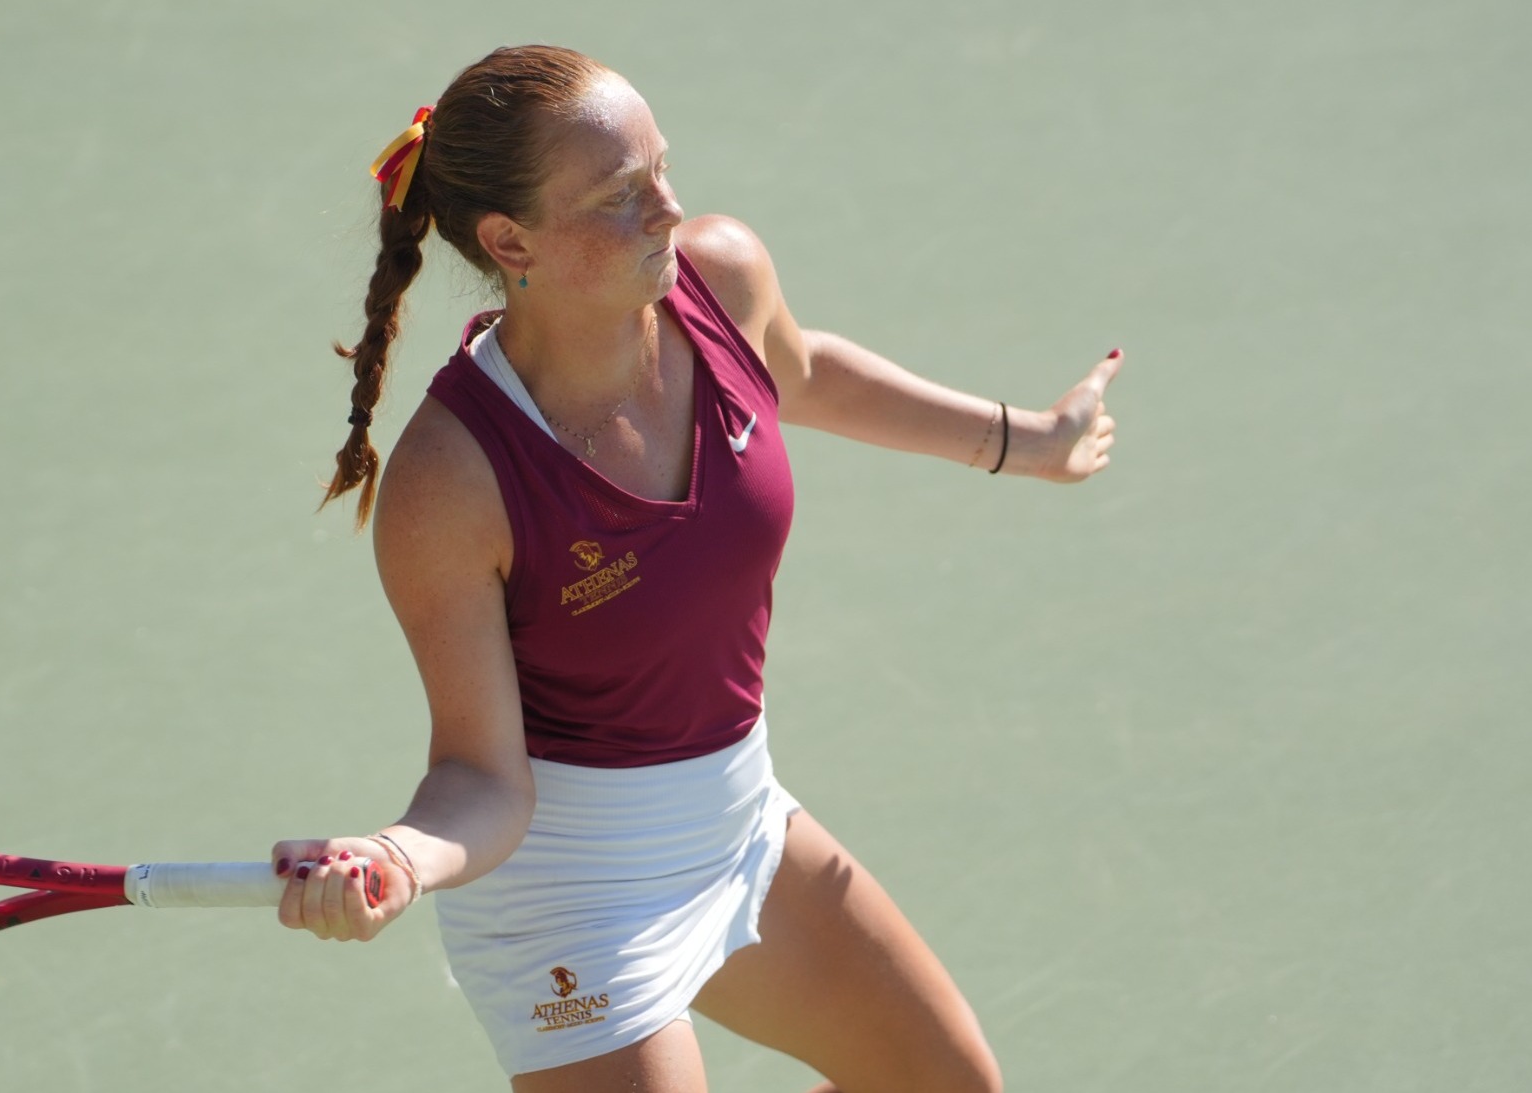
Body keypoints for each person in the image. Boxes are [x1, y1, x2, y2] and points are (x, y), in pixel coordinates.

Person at [269, 44, 1120, 1093]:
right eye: (621, 197)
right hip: (567, 890)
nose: (667, 210)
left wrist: (1021, 440)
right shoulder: (453, 479)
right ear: (509, 240)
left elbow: (801, 374)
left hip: (736, 819)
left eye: (662, 171)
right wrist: (400, 858)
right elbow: (483, 776)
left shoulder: (718, 281)